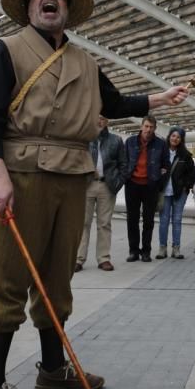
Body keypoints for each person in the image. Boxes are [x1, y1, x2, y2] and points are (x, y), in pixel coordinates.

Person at [0, 0, 187, 389]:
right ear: (29, 7)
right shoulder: (5, 51)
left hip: (73, 175)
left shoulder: (85, 62)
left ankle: (52, 369)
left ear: (67, 9)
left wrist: (161, 99)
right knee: (7, 277)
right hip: (22, 173)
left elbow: (113, 103)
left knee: (56, 277)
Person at [75, 116, 126, 272]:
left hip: (107, 185)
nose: (99, 121)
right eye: (97, 118)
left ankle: (104, 259)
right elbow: (76, 161)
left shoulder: (116, 140)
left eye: (103, 118)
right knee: (83, 223)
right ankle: (78, 259)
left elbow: (123, 164)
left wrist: (118, 183)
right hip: (87, 185)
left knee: (104, 224)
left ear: (107, 122)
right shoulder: (84, 139)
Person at [124, 116, 167, 263]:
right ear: (141, 126)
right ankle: (133, 251)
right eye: (146, 126)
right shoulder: (130, 142)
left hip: (150, 186)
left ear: (155, 128)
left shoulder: (161, 144)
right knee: (132, 219)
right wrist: (125, 176)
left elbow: (166, 165)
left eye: (151, 127)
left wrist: (159, 179)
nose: (148, 130)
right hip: (132, 184)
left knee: (148, 220)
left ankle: (146, 251)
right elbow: (124, 161)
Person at [157, 127, 195, 259]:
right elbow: (154, 169)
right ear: (169, 137)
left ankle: (176, 248)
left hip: (179, 193)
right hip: (164, 192)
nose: (175, 139)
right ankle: (162, 248)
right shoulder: (162, 153)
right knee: (163, 220)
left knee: (177, 220)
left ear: (181, 140)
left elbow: (192, 174)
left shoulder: (185, 155)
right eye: (173, 136)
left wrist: (186, 186)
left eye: (178, 137)